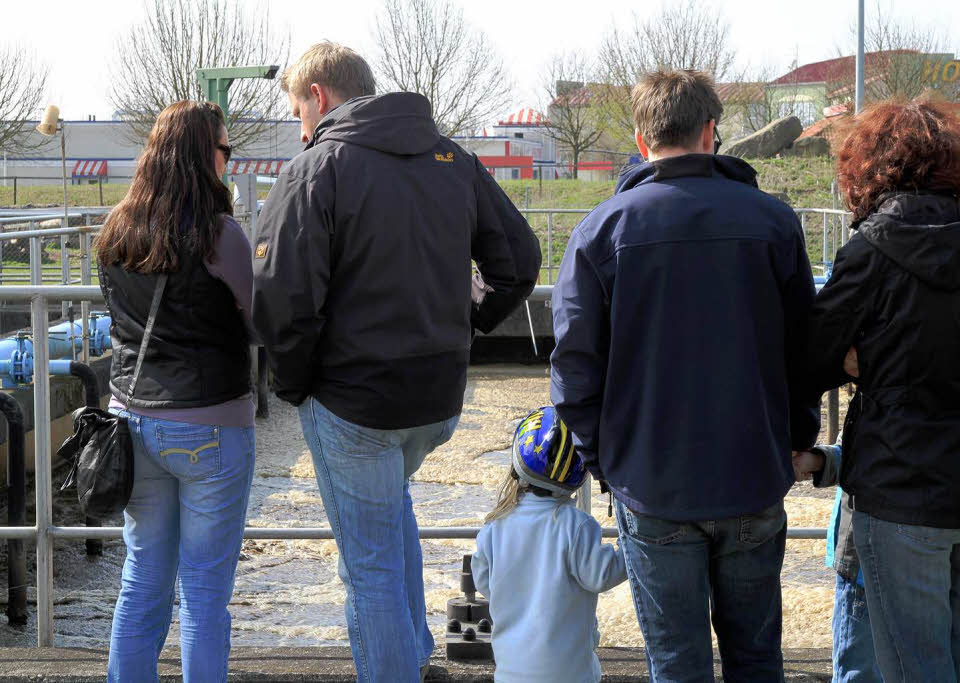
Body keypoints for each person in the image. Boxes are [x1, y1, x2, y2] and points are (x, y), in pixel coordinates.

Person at [251, 42, 540, 682]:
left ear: (319, 97)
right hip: (435, 398)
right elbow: (519, 263)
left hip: (355, 402)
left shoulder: (317, 168)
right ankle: (415, 658)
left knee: (369, 568)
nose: (300, 125)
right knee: (393, 514)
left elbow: (279, 297)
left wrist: (295, 386)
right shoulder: (453, 160)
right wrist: (467, 324)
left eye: (298, 110)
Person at [549, 67, 820, 682]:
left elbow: (573, 364)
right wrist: (796, 438)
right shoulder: (774, 223)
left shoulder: (603, 230)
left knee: (676, 663)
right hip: (752, 474)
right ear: (711, 132)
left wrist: (602, 459)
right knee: (757, 659)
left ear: (642, 142)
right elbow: (806, 349)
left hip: (652, 484)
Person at [805, 97, 960, 682]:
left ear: (868, 167)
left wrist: (854, 363)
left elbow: (809, 360)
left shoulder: (869, 250)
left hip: (900, 485)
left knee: (913, 667)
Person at [95, 101, 255, 682]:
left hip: (132, 420)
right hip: (210, 424)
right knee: (205, 593)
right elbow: (259, 320)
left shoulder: (116, 228)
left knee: (141, 580)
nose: (228, 161)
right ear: (199, 155)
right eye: (224, 150)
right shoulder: (221, 236)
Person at [471, 406, 626, 682]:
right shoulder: (576, 526)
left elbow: (484, 582)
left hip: (510, 674)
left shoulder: (494, 529)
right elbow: (602, 574)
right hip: (570, 674)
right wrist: (631, 545)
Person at [793, 433, 881, 683]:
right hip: (947, 549)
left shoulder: (878, 396)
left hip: (868, 557)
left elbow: (865, 452)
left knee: (858, 669)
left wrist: (815, 460)